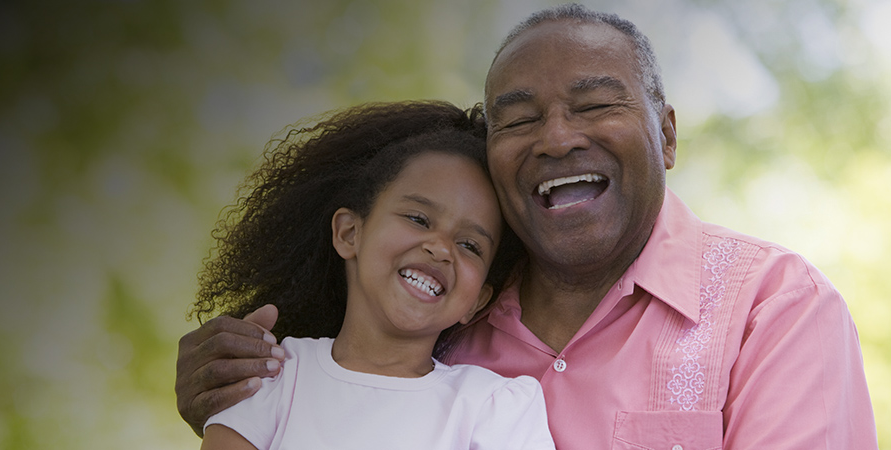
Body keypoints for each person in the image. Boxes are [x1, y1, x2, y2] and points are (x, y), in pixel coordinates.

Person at [176, 4, 879, 449]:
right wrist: (230, 394)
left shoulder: (774, 307)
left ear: (666, 136)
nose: (556, 137)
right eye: (517, 120)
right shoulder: (435, 315)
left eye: (596, 102)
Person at [191, 100, 555, 449]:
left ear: (477, 301)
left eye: (470, 245)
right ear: (350, 233)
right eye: (418, 219)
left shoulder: (495, 407)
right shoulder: (271, 377)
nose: (441, 248)